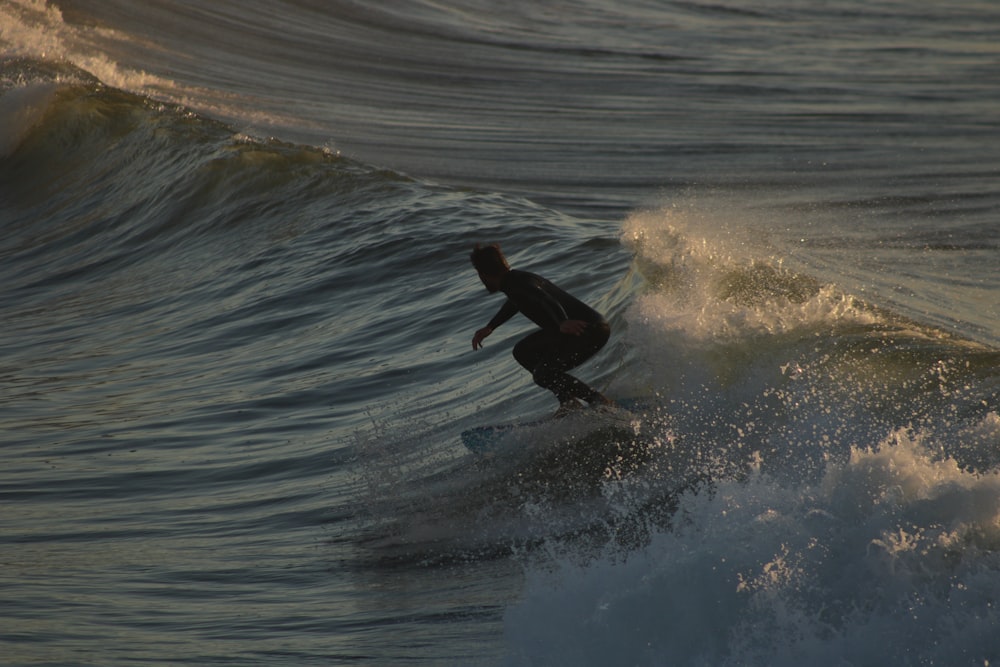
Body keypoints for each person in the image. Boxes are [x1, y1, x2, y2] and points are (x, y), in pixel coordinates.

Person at [470, 243, 614, 415]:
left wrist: (562, 322)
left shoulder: (516, 283)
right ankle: (568, 401)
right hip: (590, 328)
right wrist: (491, 326)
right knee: (524, 353)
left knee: (542, 373)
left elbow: (542, 297)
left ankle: (599, 401)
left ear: (483, 274)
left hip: (587, 330)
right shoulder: (515, 281)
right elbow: (515, 303)